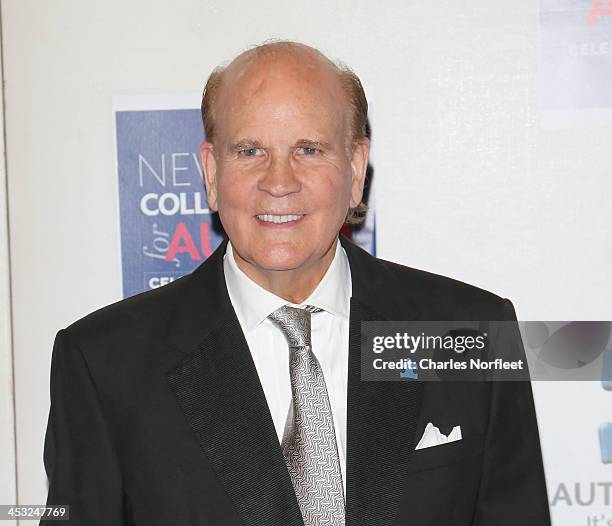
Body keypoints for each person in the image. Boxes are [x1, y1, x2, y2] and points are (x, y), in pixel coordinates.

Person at [41, 41, 551, 525]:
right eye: (249, 151)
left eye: (308, 149)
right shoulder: (104, 365)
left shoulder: (469, 332)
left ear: (354, 170)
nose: (278, 181)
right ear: (211, 172)